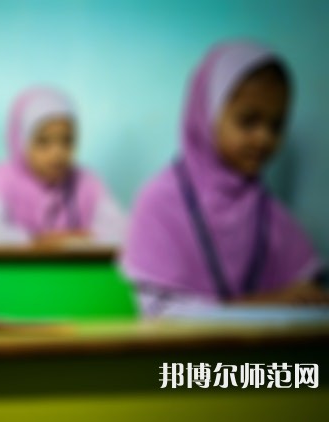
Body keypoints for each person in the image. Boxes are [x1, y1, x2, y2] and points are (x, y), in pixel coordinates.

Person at [122, 41, 329, 316]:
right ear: (205, 115)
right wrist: (267, 304)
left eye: (276, 125)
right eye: (248, 121)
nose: (264, 138)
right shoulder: (159, 202)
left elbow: (305, 290)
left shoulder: (266, 211)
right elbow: (160, 315)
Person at [0, 87, 127, 246]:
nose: (57, 153)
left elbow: (124, 233)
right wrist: (46, 240)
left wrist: (60, 241)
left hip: (76, 271)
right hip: (21, 270)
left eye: (67, 141)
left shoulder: (87, 181)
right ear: (21, 142)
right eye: (44, 142)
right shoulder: (1, 179)